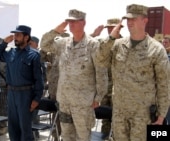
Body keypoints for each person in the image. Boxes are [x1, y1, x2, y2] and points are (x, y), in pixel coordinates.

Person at [95, 4, 170, 141]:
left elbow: (163, 84)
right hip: (119, 113)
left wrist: (161, 115)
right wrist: (111, 38)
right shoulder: (117, 45)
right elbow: (99, 60)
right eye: (127, 19)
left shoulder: (156, 50)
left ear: (145, 21)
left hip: (143, 115)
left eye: (134, 19)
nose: (130, 23)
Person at [40, 9, 108, 141]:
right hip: (64, 101)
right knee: (66, 136)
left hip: (83, 102)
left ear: (83, 23)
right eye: (69, 21)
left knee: (82, 137)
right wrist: (56, 30)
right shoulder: (63, 43)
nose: (70, 24)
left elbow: (101, 72)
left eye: (74, 22)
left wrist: (98, 96)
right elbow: (44, 45)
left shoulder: (93, 45)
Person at [0, 25, 44, 141]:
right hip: (11, 93)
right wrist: (4, 43)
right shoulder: (11, 52)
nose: (15, 37)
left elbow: (38, 79)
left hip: (26, 95)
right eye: (14, 35)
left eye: (18, 35)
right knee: (12, 127)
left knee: (25, 129)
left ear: (26, 37)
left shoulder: (34, 55)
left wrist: (36, 99)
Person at [91, 18, 124, 139]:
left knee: (118, 119)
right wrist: (94, 34)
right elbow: (86, 44)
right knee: (105, 117)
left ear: (119, 28)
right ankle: (105, 137)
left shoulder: (125, 43)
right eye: (108, 28)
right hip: (104, 87)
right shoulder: (102, 43)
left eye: (112, 27)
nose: (110, 30)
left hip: (120, 89)